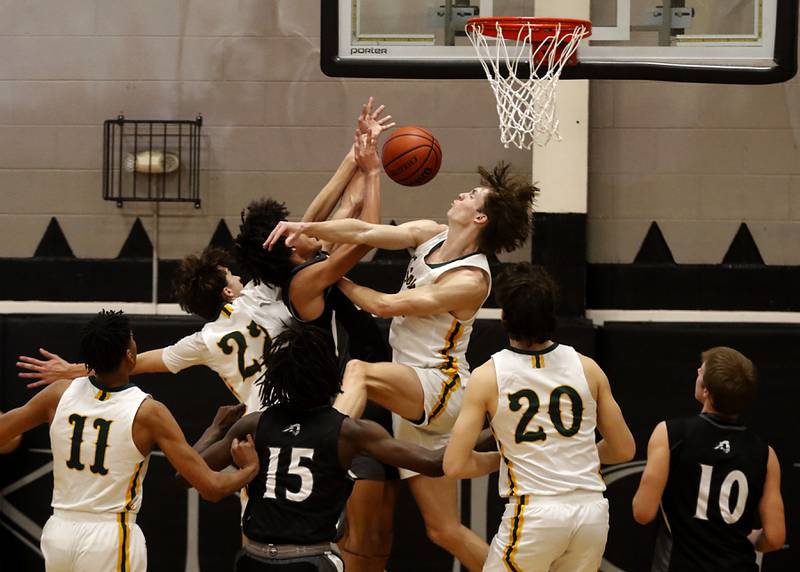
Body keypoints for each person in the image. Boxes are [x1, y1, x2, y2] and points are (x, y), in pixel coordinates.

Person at [264, 162, 538, 571]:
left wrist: (326, 276)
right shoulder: (432, 235)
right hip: (412, 392)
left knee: (359, 372)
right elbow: (363, 232)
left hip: (440, 385)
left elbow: (384, 305)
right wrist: (305, 227)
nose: (461, 195)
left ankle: (321, 447)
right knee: (444, 530)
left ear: (480, 217)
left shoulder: (471, 280)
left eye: (471, 196)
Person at [0, 310, 260, 572]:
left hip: (58, 533)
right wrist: (249, 470)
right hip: (110, 536)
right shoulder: (148, 412)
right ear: (129, 355)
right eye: (132, 340)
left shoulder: (57, 394)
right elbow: (211, 487)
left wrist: (214, 429)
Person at [194, 324, 446, 572]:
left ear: (276, 376)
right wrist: (484, 431)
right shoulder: (350, 432)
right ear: (329, 374)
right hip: (309, 560)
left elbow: (187, 472)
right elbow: (435, 463)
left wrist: (214, 429)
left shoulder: (256, 424)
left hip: (255, 559)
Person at [443, 263, 636, 572]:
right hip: (591, 513)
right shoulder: (588, 368)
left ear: (505, 317)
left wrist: (508, 459)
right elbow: (624, 449)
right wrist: (567, 456)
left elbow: (454, 465)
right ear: (551, 314)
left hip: (536, 514)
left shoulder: (488, 376)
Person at [632, 347, 786, 572]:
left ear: (707, 392)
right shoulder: (766, 454)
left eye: (701, 371)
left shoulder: (670, 434)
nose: (697, 370)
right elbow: (775, 537)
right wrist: (751, 541)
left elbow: (643, 512)